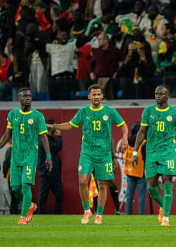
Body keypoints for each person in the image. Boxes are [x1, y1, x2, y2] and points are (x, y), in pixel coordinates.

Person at [47, 84, 128, 224]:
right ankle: (86, 211)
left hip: (104, 154)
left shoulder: (110, 111)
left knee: (102, 184)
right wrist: (54, 126)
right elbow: (71, 124)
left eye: (98, 94)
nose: (96, 97)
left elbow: (123, 125)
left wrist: (125, 137)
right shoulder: (84, 111)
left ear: (102, 96)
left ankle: (99, 215)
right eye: (94, 95)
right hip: (87, 152)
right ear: (89, 96)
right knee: (83, 180)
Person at [0, 87, 53, 225]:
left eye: (29, 96)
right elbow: (8, 134)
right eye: (24, 96)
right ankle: (30, 205)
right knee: (15, 188)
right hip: (16, 156)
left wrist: (48, 157)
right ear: (19, 98)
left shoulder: (38, 116)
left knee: (26, 186)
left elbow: (43, 137)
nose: (27, 98)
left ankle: (23, 216)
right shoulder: (13, 114)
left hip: (30, 156)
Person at [132, 85, 176, 226]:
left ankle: (166, 219)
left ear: (168, 95)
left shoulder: (175, 114)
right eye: (156, 94)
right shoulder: (148, 111)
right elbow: (142, 132)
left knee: (167, 182)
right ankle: (163, 207)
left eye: (161, 94)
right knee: (151, 187)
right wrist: (135, 152)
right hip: (151, 153)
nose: (158, 96)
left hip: (168, 153)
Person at [37, 119, 64, 214]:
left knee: (59, 194)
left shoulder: (49, 139)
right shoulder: (43, 140)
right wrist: (59, 136)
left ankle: (58, 214)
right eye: (54, 127)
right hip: (46, 172)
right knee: (43, 194)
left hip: (53, 172)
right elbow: (57, 147)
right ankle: (41, 213)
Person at [123, 122, 147, 215]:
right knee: (141, 197)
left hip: (129, 171)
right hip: (140, 172)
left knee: (129, 196)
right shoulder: (144, 142)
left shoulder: (127, 141)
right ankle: (141, 215)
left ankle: (127, 214)